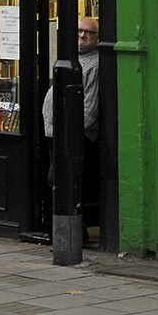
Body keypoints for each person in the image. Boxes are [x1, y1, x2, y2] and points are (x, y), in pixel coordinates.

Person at [42, 15, 101, 235]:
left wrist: (70, 133)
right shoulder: (71, 57)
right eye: (78, 30)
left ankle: (73, 232)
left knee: (63, 180)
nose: (82, 35)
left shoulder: (94, 64)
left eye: (88, 32)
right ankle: (65, 230)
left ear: (96, 37)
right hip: (55, 132)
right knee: (56, 179)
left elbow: (89, 108)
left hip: (74, 135)